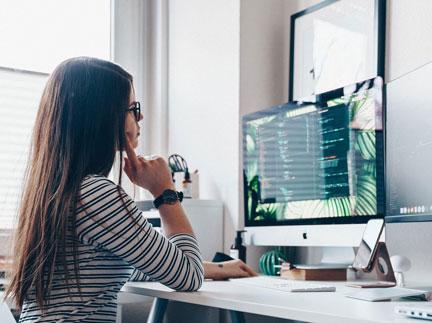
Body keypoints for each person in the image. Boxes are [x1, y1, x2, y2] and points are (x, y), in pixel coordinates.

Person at [5, 57, 256, 322]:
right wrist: (164, 192)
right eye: (133, 108)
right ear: (104, 116)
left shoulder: (59, 192)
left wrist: (214, 268)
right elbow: (188, 276)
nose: (141, 116)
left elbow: (125, 264)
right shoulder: (96, 195)